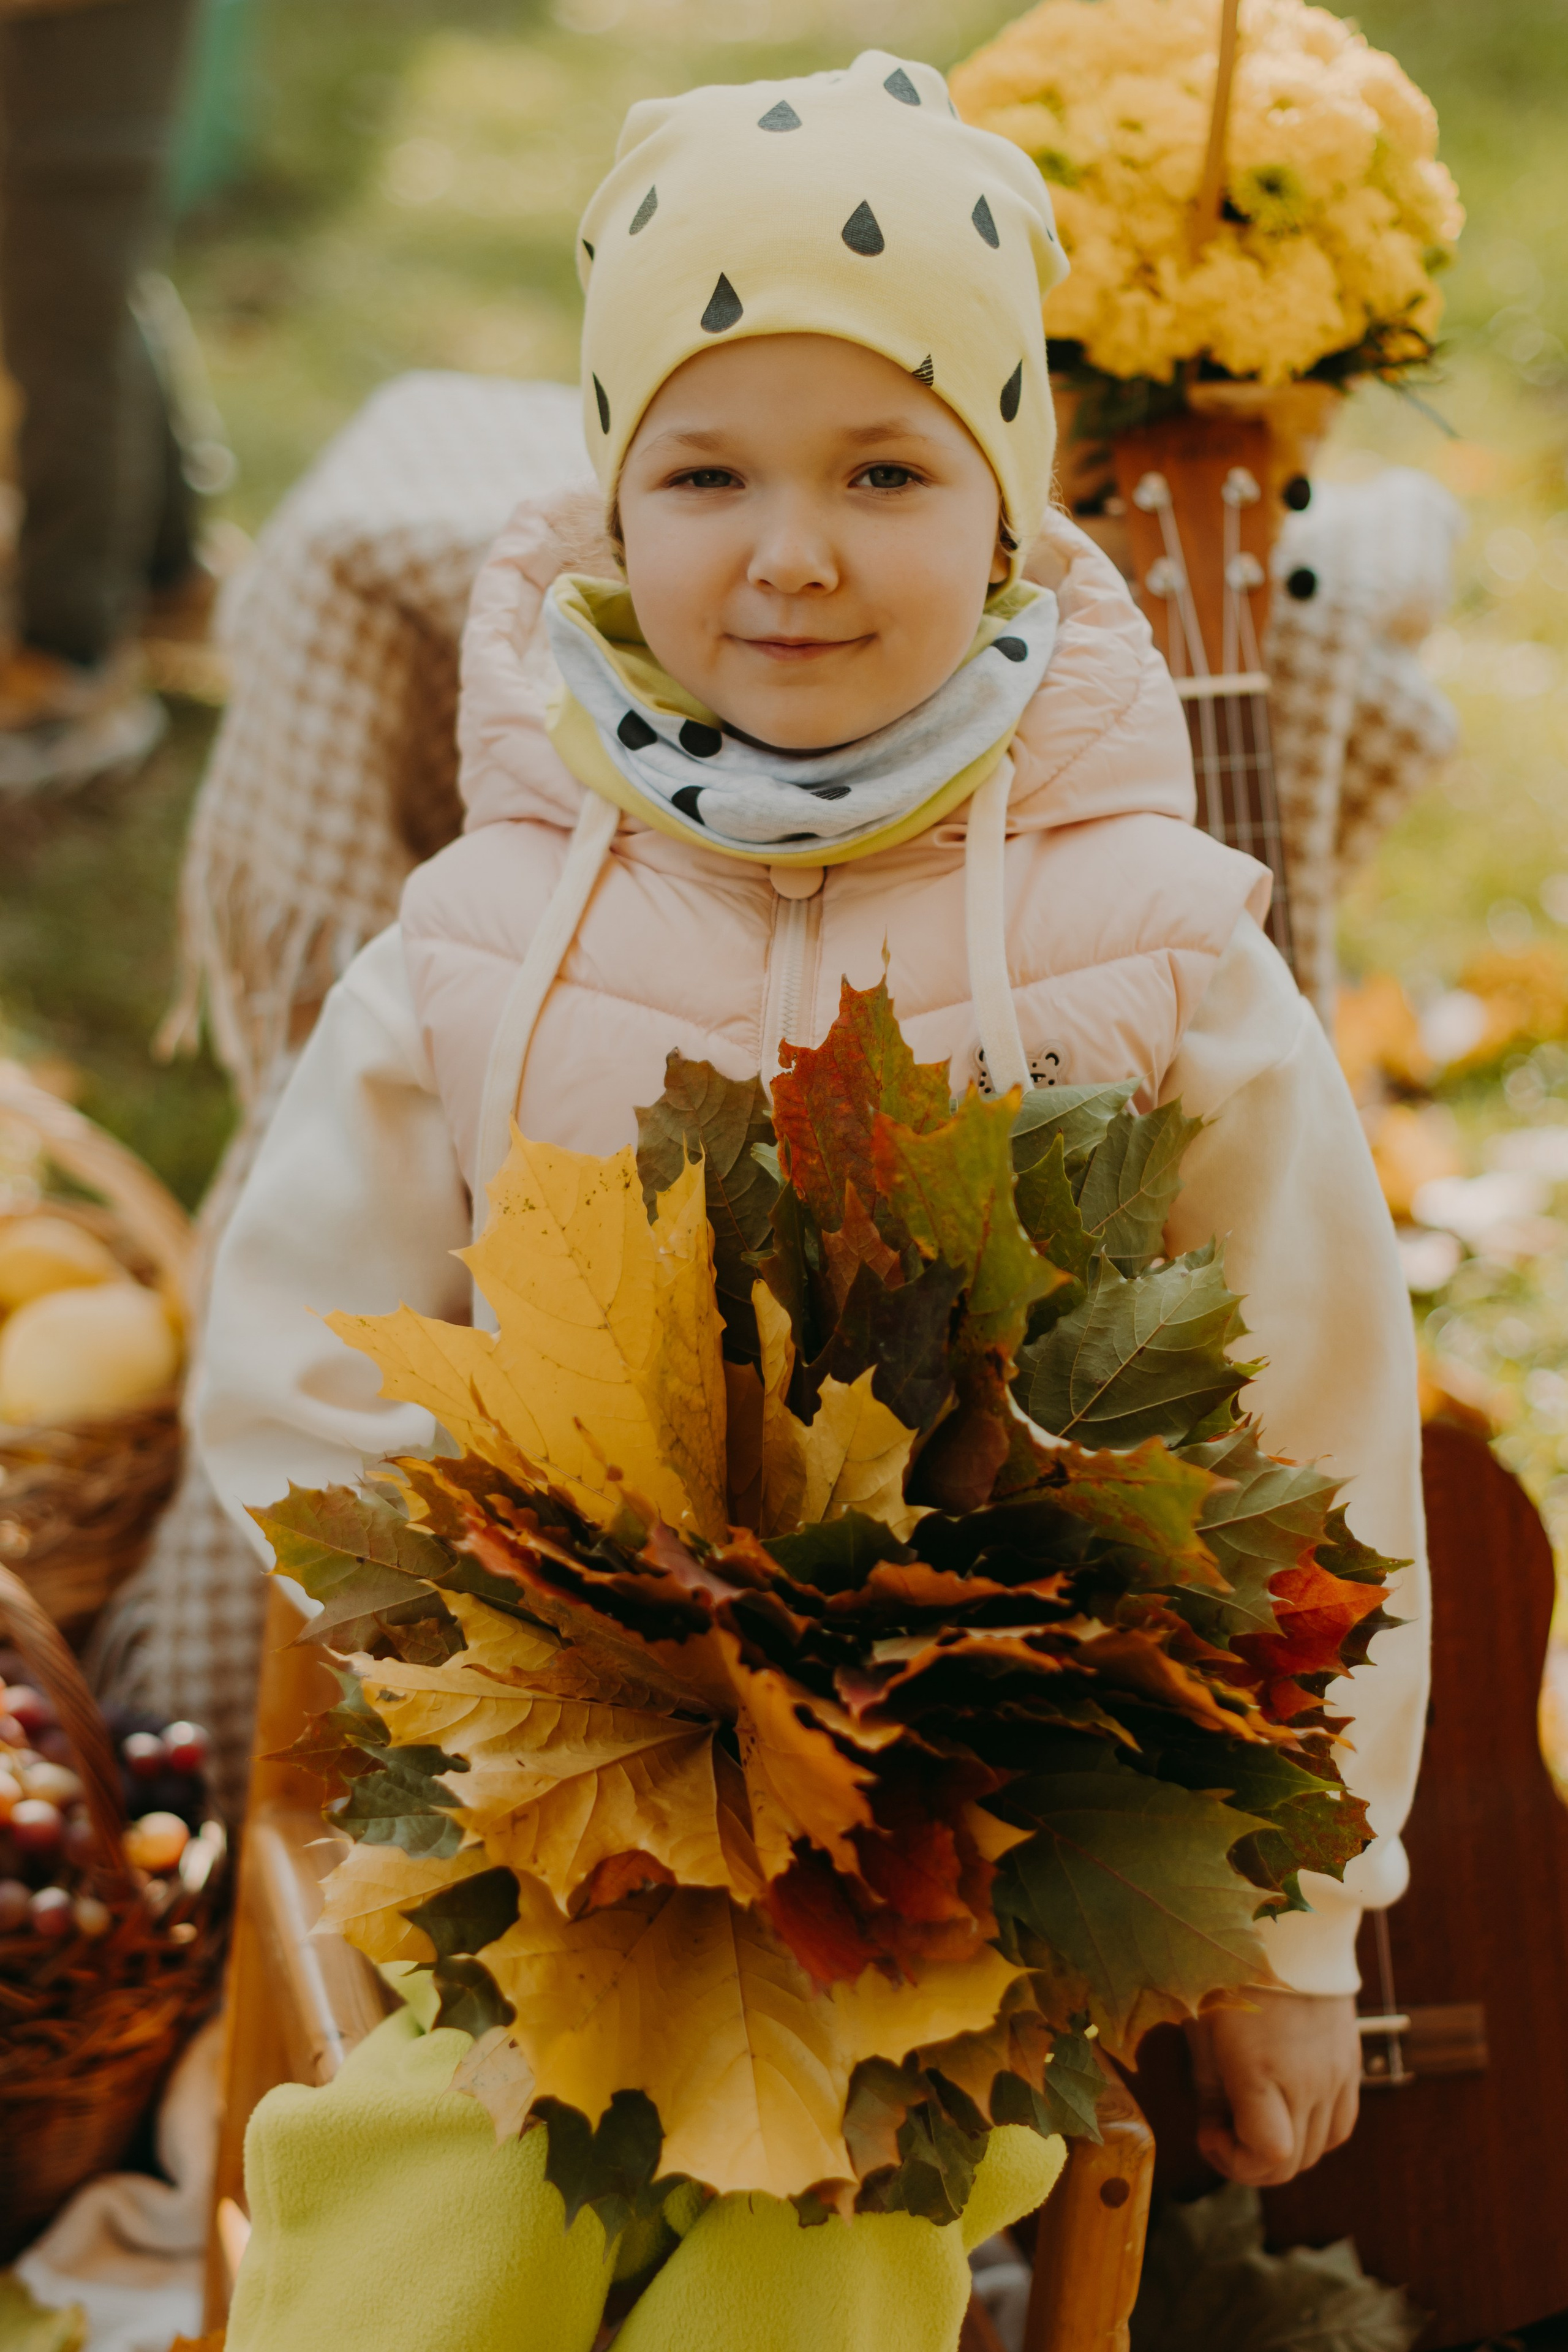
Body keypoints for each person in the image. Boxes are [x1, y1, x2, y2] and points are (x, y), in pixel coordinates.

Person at [195, 47, 1429, 2333]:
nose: (790, 549)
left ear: (1010, 510)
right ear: (611, 503)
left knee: (830, 2213)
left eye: (884, 469)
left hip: (967, 1813)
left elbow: (1324, 1441)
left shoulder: (1153, 942)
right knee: (440, 2171)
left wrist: (1287, 1933)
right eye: (707, 469)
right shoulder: (481, 937)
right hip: (561, 1776)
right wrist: (475, 1658)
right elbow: (296, 1357)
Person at [0, 0, 200, 791]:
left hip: (65, 26)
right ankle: (166, 576)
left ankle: (65, 660)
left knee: (62, 309)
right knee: (81, 285)